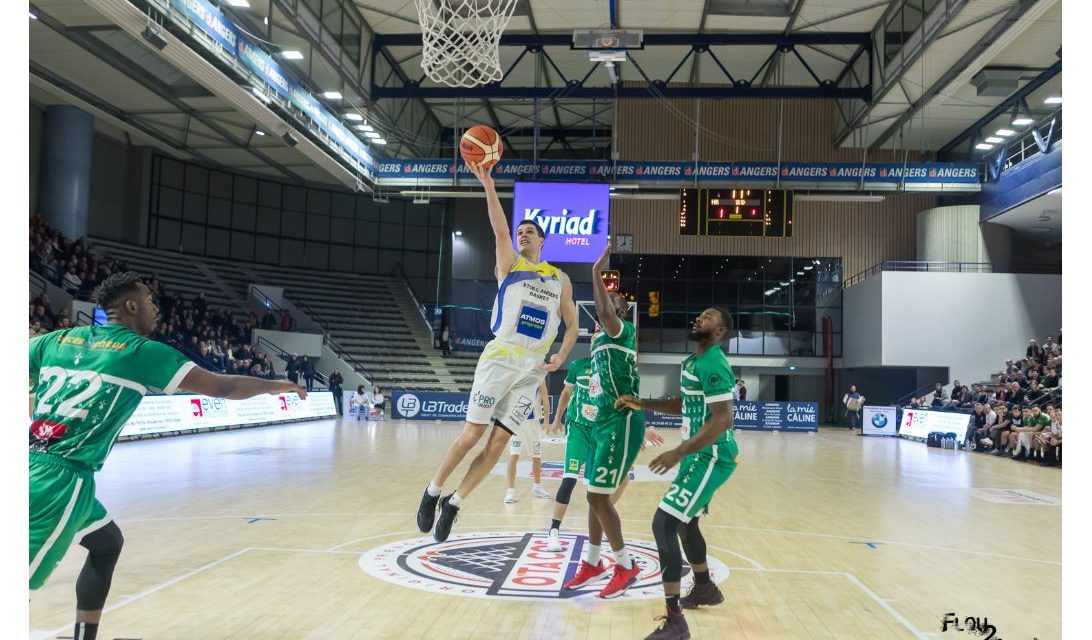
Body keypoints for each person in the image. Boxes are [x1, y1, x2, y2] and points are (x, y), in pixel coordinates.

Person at [29, 272, 306, 640]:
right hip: (60, 483)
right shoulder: (141, 353)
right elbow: (224, 385)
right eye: (150, 303)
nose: (156, 311)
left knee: (107, 543)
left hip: (29, 463)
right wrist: (277, 386)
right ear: (131, 306)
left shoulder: (55, 339)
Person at [415, 161, 578, 543]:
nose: (522, 234)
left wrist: (562, 356)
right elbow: (498, 228)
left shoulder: (560, 280)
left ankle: (455, 502)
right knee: (472, 434)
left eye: (530, 231)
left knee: (499, 443)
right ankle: (433, 490)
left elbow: (571, 326)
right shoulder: (510, 264)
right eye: (519, 231)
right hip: (501, 358)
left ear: (543, 241)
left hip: (533, 369)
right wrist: (488, 183)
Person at [615, 307, 738, 640]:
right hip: (696, 455)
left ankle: (675, 622)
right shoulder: (693, 362)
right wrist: (642, 403)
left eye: (709, 317)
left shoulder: (714, 362)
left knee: (664, 523)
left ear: (720, 331)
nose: (699, 317)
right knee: (685, 522)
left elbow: (723, 419)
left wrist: (677, 452)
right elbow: (685, 404)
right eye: (699, 314)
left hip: (711, 456)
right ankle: (704, 588)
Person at [561, 244, 649, 599]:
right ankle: (594, 562)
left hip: (622, 422)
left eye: (613, 300)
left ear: (621, 310)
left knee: (599, 497)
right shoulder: (600, 338)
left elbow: (602, 306)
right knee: (592, 497)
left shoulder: (621, 330)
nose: (606, 303)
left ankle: (626, 565)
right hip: (602, 422)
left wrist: (596, 272)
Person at [505, 381, 552, 503]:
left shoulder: (540, 377)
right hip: (516, 423)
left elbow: (545, 400)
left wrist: (546, 421)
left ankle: (537, 487)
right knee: (513, 456)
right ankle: (510, 492)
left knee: (537, 455)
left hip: (533, 424)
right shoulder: (517, 374)